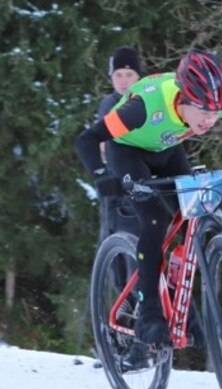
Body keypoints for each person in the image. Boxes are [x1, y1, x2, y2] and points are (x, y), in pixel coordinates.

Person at [76, 49, 222, 347]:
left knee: (194, 218)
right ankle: (149, 313)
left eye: (215, 114)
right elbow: (88, 139)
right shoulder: (142, 108)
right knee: (155, 221)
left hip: (167, 152)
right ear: (183, 98)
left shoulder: (215, 103)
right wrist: (102, 176)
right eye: (204, 112)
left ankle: (182, 307)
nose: (210, 120)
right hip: (128, 153)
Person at [96, 46, 143, 243]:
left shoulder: (145, 101)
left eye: (129, 74)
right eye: (118, 74)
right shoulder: (110, 104)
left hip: (140, 188)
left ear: (138, 76)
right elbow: (101, 145)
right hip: (118, 192)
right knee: (120, 254)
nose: (123, 80)